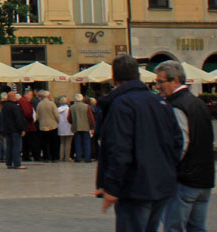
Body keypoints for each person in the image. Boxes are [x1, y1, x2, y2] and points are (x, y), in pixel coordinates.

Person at [93, 54, 181, 230]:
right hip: (161, 185)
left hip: (134, 188)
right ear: (138, 75)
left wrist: (111, 187)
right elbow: (177, 142)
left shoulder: (121, 104)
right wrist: (167, 170)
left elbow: (119, 149)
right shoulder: (160, 102)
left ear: (114, 78)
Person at [156, 60, 214, 232]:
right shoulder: (198, 103)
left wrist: (169, 168)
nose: (157, 86)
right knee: (197, 227)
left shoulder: (176, 105)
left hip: (185, 179)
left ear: (175, 81)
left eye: (161, 81)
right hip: (204, 178)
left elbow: (181, 143)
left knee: (174, 227)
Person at [1, 91, 28, 170]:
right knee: (17, 146)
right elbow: (18, 119)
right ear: (12, 97)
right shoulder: (15, 107)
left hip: (7, 129)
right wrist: (22, 128)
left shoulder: (5, 106)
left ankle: (9, 163)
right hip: (15, 129)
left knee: (9, 146)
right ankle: (17, 163)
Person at [70, 93, 92, 163]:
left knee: (77, 142)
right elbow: (90, 117)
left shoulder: (72, 107)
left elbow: (69, 118)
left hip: (76, 126)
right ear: (82, 99)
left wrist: (72, 123)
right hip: (86, 126)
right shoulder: (86, 106)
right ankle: (87, 158)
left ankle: (78, 158)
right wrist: (92, 126)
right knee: (86, 142)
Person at [56, 96, 72, 162]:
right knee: (68, 143)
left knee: (62, 143)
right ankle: (67, 157)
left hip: (60, 127)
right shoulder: (69, 109)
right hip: (68, 127)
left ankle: (61, 157)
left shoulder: (58, 109)